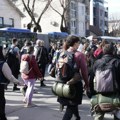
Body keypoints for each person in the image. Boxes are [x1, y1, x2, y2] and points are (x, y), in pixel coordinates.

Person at [56, 35, 89, 120]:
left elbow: (57, 67)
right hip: (74, 84)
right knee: (71, 106)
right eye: (78, 42)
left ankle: (77, 117)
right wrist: (86, 83)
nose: (79, 44)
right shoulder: (79, 55)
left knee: (72, 104)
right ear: (75, 43)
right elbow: (84, 71)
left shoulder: (62, 53)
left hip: (62, 84)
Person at [91, 43, 120, 120]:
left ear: (103, 51)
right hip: (116, 94)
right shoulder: (118, 62)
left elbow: (91, 78)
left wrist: (91, 92)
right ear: (114, 51)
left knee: (98, 115)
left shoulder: (97, 62)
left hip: (100, 94)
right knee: (118, 114)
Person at [0, 46, 22, 120]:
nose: (5, 51)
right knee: (1, 103)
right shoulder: (2, 63)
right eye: (3, 50)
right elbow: (10, 76)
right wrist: (18, 82)